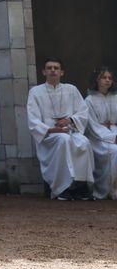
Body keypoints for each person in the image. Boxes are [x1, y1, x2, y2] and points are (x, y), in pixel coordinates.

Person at [27, 58, 94, 200]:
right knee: (63, 140)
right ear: (43, 72)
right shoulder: (36, 92)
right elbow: (33, 119)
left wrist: (70, 120)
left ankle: (81, 186)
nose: (53, 70)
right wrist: (51, 130)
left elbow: (83, 111)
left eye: (56, 68)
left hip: (69, 130)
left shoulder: (71, 89)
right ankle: (63, 188)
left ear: (62, 72)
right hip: (49, 135)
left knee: (84, 142)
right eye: (49, 68)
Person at [85, 66, 117, 200]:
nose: (107, 80)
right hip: (97, 137)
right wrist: (112, 137)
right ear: (97, 80)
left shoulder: (116, 97)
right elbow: (91, 125)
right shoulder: (89, 100)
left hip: (114, 131)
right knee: (114, 151)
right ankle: (105, 189)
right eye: (104, 77)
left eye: (110, 78)